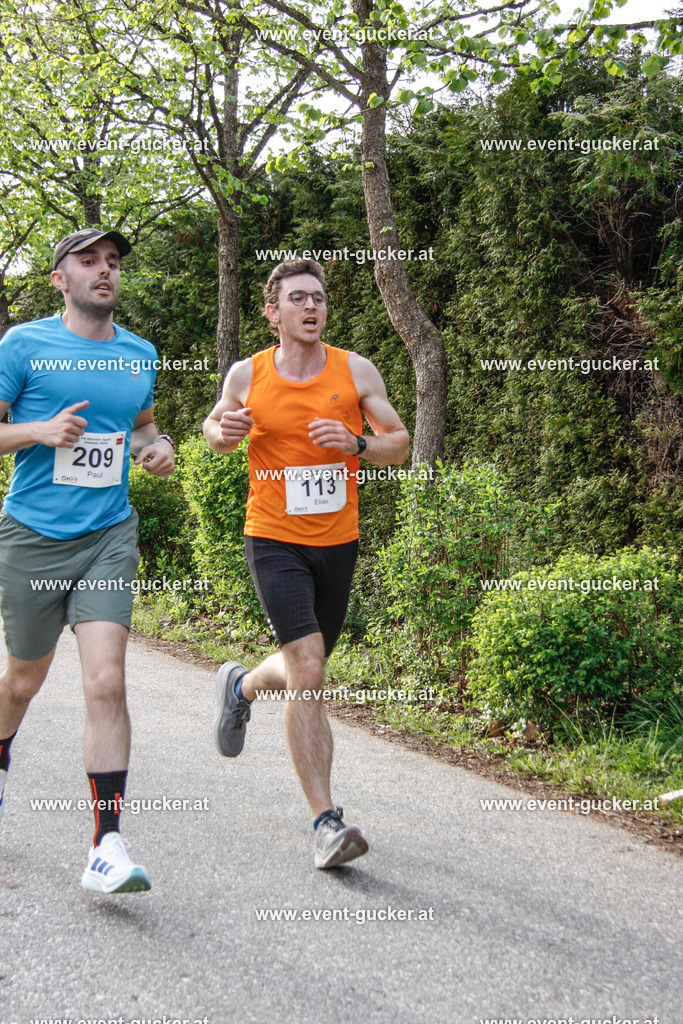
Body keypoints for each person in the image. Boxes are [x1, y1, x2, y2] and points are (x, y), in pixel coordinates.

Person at [203, 258, 409, 869]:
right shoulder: (249, 373)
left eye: (318, 297)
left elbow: (399, 443)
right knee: (310, 665)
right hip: (273, 537)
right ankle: (326, 822)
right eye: (297, 298)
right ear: (273, 312)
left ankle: (240, 685)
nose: (312, 306)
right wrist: (225, 432)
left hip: (337, 541)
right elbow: (215, 428)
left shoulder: (355, 370)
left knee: (306, 669)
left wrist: (359, 443)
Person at [0, 227, 175, 893]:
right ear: (59, 279)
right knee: (23, 680)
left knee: (106, 681)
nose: (105, 270)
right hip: (32, 535)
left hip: (108, 533)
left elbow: (143, 426)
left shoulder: (139, 354)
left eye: (113, 262)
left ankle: (106, 845)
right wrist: (37, 431)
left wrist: (158, 448)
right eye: (88, 260)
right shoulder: (23, 345)